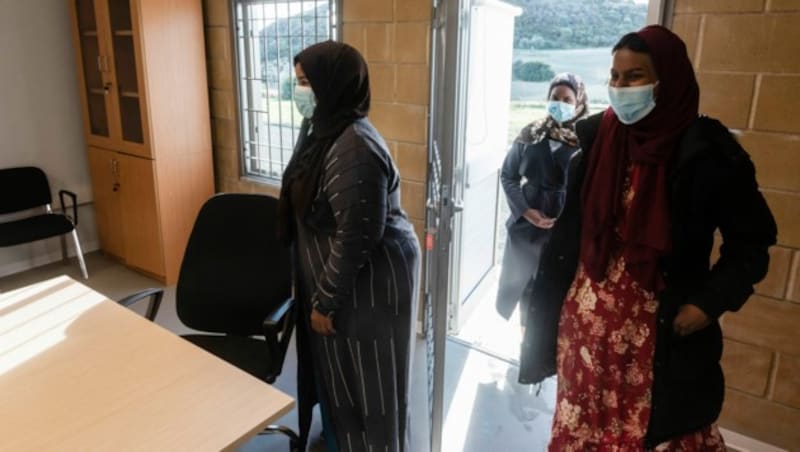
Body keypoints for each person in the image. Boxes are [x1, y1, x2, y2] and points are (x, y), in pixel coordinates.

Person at [517, 25, 777, 450]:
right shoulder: (599, 141)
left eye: (634, 76)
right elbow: (572, 236)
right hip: (586, 340)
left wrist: (707, 304)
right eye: (615, 77)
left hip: (659, 346)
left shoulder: (706, 155)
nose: (620, 87)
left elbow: (753, 243)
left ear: (666, 79)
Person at [277, 41, 421, 452]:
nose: (299, 91)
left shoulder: (354, 147)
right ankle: (345, 439)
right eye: (298, 82)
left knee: (369, 380)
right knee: (340, 374)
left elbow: (357, 235)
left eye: (307, 83)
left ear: (334, 85)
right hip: (345, 277)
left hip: (370, 283)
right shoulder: (324, 131)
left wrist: (324, 301)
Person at [496, 73, 589, 334]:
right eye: (555, 98)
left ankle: (547, 346)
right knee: (523, 284)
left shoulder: (586, 142)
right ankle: (525, 339)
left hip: (563, 227)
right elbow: (508, 175)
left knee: (554, 287)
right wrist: (526, 211)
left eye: (567, 99)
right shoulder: (530, 134)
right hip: (526, 225)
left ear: (579, 102)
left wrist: (570, 219)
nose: (560, 103)